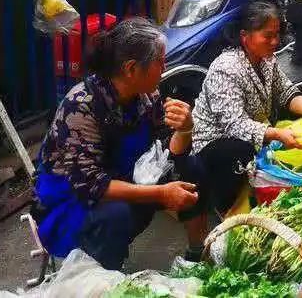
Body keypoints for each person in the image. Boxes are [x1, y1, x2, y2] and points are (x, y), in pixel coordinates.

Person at [32, 18, 207, 269]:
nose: (164, 66)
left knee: (192, 168)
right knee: (117, 215)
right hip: (70, 200)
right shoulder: (82, 105)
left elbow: (166, 151)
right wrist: (161, 193)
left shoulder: (147, 95)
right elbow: (91, 186)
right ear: (131, 69)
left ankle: (197, 254)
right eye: (159, 61)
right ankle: (105, 280)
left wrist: (186, 129)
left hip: (124, 177)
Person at [191, 1, 302, 214]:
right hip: (215, 141)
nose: (275, 42)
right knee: (240, 150)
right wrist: (277, 134)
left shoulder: (266, 59)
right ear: (245, 36)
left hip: (252, 131)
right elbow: (234, 125)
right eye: (268, 36)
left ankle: (256, 187)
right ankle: (225, 205)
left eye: (277, 34)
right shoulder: (226, 69)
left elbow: (285, 91)